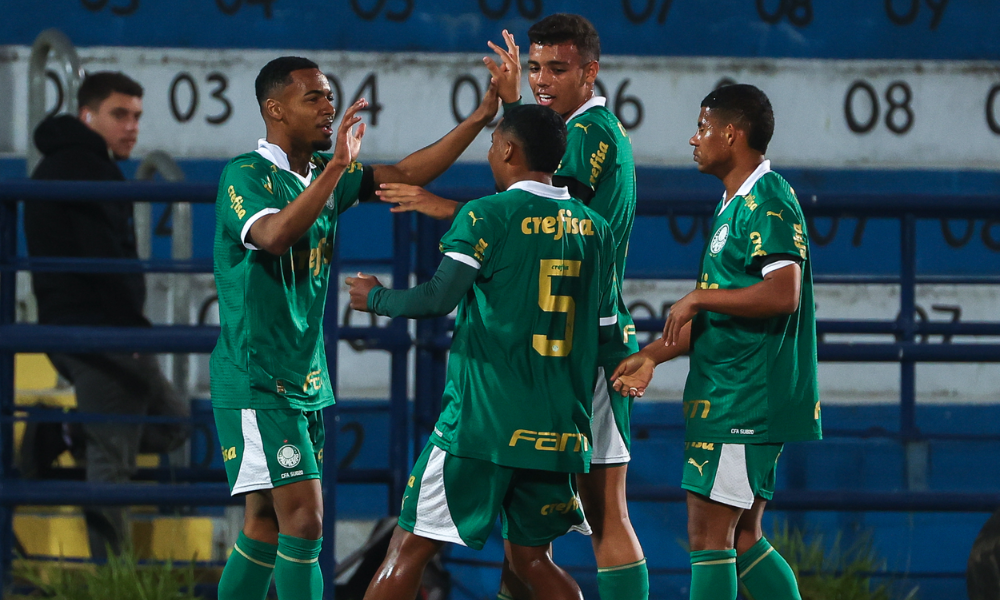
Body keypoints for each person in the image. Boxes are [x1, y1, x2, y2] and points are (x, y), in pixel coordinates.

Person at [377, 15, 647, 600]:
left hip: (573, 357)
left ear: (591, 72)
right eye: (536, 67)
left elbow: (537, 220)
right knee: (530, 551)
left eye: (558, 68)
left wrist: (444, 207)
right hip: (565, 354)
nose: (543, 79)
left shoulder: (592, 133)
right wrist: (511, 108)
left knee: (607, 514)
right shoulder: (573, 132)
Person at [210, 55, 500, 600]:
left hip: (302, 379)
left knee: (266, 526)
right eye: (313, 98)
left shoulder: (321, 174)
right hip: (258, 378)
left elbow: (407, 175)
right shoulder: (246, 174)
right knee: (305, 524)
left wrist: (481, 116)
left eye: (329, 95)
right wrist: (338, 169)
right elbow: (273, 235)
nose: (328, 106)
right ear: (274, 109)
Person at [611, 84, 821, 600]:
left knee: (709, 537)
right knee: (744, 538)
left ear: (732, 133)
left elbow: (783, 294)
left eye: (703, 127)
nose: (693, 138)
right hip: (732, 390)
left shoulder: (768, 201)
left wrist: (700, 299)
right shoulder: (733, 203)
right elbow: (726, 310)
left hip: (743, 397)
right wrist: (652, 357)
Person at [22, 71, 190, 558]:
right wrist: (130, 331)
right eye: (120, 114)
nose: (131, 127)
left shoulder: (71, 164)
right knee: (112, 466)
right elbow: (104, 264)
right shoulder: (86, 169)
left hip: (87, 329)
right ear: (87, 114)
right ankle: (111, 582)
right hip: (100, 332)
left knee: (172, 423)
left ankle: (63, 430)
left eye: (137, 116)